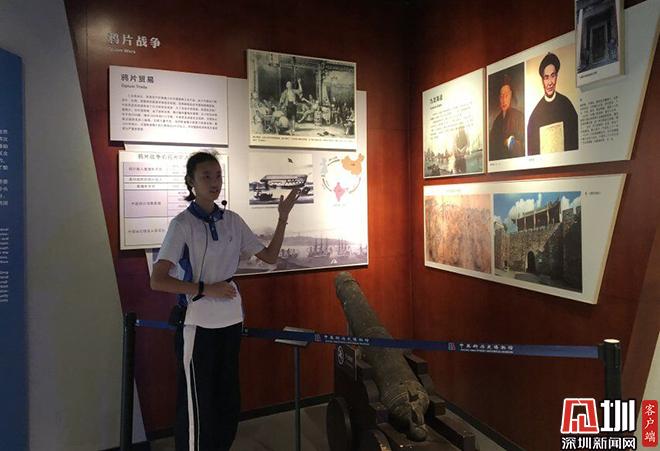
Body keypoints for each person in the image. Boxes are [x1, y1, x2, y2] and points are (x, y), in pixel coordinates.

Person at [150, 152, 300, 451]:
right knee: (198, 402)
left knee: (227, 399)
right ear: (191, 182)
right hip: (197, 323)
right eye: (206, 176)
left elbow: (270, 257)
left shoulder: (232, 220)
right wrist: (205, 288)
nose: (214, 182)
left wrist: (282, 217)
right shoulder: (182, 224)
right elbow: (158, 280)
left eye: (217, 175)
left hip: (231, 321)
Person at [527, 52, 578, 155]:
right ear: (542, 80)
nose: (550, 82)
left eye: (552, 76)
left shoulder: (567, 105)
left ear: (556, 76)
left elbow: (575, 144)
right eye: (546, 77)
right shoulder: (535, 115)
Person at [489, 77, 525, 160]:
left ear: (510, 96)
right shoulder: (497, 121)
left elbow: (523, 144)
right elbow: (492, 145)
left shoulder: (519, 116)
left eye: (506, 96)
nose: (504, 100)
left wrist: (510, 142)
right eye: (501, 96)